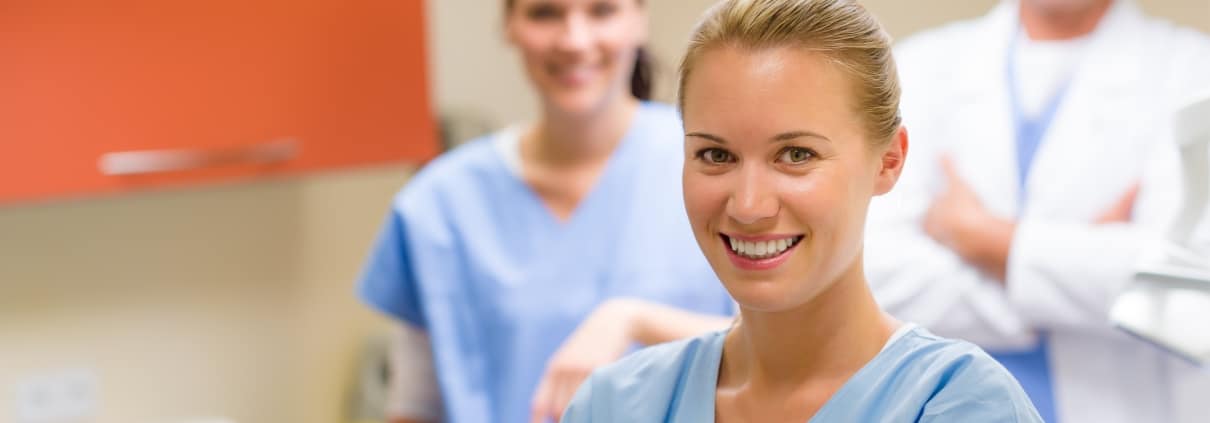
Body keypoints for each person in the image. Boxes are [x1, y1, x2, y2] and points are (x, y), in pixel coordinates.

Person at [561, 0, 1042, 421]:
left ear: (889, 160)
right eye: (716, 155)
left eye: (796, 155)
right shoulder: (615, 405)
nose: (749, 206)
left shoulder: (958, 405)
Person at [356, 0, 735, 422]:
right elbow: (416, 406)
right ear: (509, 26)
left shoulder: (716, 167)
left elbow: (790, 352)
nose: (574, 40)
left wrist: (631, 320)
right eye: (545, 13)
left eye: (602, 11)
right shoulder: (440, 205)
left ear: (638, 21)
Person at [864, 0, 1210, 422]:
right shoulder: (919, 67)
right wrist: (1078, 268)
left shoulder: (1193, 70)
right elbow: (877, 274)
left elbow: (1186, 286)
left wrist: (984, 239)